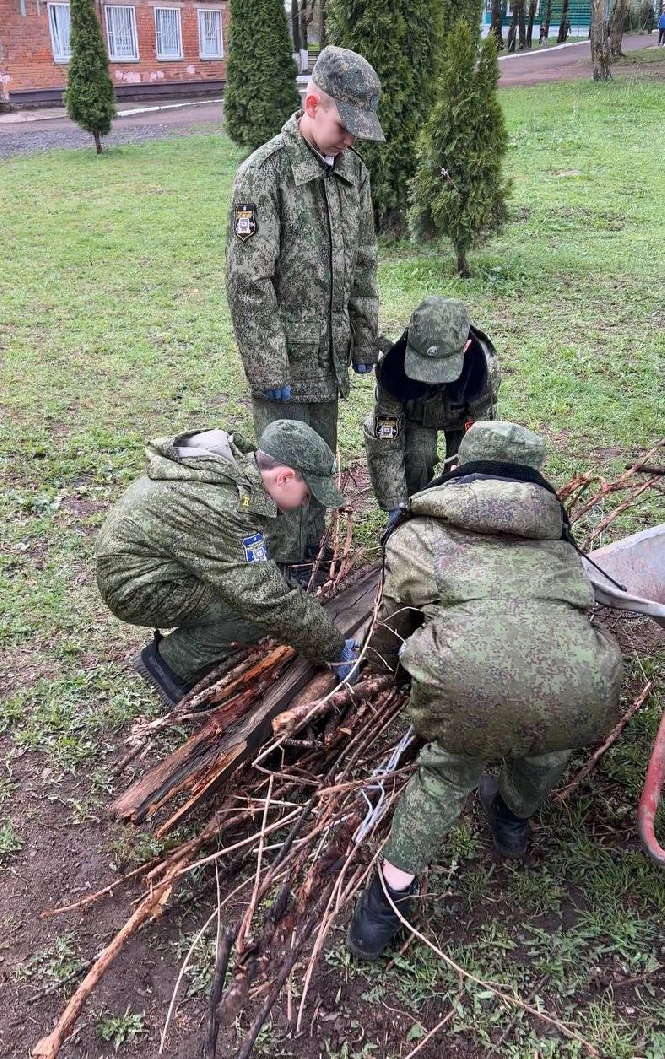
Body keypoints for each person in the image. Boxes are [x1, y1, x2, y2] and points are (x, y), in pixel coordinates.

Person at [347, 421, 623, 961]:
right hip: (582, 687)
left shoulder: (417, 533)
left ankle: (382, 909)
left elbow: (393, 620)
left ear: (463, 468)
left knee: (446, 774)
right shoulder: (559, 539)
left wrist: (377, 669)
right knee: (549, 741)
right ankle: (513, 821)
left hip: (468, 689)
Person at [225, 45, 384, 571]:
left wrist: (363, 339)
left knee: (320, 462)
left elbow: (363, 261)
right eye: (345, 124)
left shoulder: (353, 173)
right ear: (313, 105)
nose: (352, 137)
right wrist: (268, 367)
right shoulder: (264, 174)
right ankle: (279, 568)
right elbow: (249, 281)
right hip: (286, 363)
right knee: (281, 470)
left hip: (330, 359)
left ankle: (310, 556)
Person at [96, 421, 358, 707]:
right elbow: (265, 601)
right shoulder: (226, 505)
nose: (305, 503)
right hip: (136, 587)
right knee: (249, 610)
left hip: (155, 564)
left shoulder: (237, 474)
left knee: (250, 592)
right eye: (306, 494)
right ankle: (171, 666)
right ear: (284, 477)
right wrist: (334, 649)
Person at [364, 296, 500, 523]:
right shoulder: (393, 367)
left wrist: (467, 471)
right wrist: (394, 504)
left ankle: (455, 518)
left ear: (465, 346)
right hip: (416, 417)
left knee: (462, 470)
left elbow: (484, 436)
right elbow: (386, 441)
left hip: (462, 419)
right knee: (418, 456)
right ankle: (412, 513)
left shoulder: (484, 369)